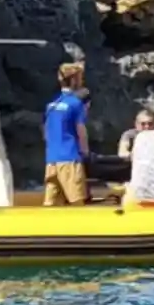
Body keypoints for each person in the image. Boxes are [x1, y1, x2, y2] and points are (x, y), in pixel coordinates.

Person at [42, 61, 91, 206]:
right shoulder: (75, 103)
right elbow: (80, 129)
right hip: (69, 157)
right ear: (74, 79)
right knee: (77, 202)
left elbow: (45, 131)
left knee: (51, 203)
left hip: (52, 159)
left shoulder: (51, 104)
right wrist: (85, 151)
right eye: (80, 78)